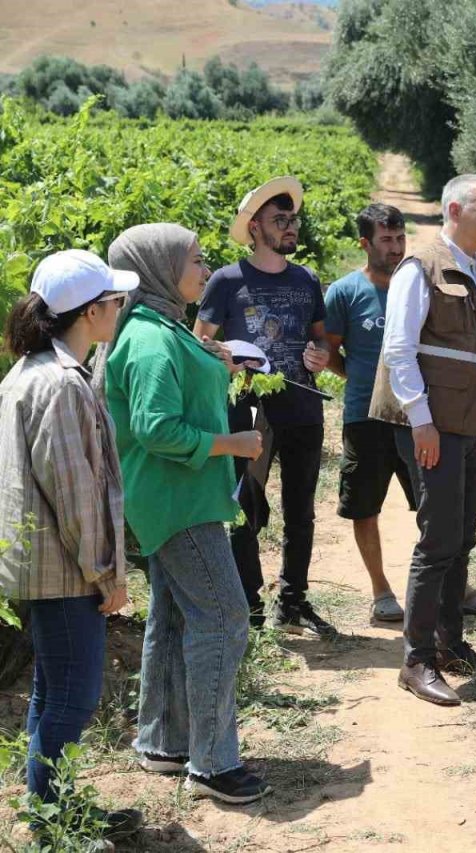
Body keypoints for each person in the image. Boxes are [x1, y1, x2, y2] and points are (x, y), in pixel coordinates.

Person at [103, 224, 272, 805]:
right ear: (158, 268)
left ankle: (163, 742)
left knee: (175, 618)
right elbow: (155, 428)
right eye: (195, 261)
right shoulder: (151, 340)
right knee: (225, 615)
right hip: (178, 502)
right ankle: (213, 763)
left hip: (176, 498)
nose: (205, 270)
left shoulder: (159, 327)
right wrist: (233, 445)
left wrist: (216, 365)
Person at [0, 250, 143, 841]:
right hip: (62, 572)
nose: (120, 308)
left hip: (39, 566)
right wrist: (105, 573)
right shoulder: (60, 384)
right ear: (91, 312)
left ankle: (53, 812)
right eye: (115, 301)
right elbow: (75, 492)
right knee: (73, 699)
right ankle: (54, 826)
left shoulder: (31, 371)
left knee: (52, 692)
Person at [370, 173, 476, 706]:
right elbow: (399, 349)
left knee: (460, 539)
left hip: (471, 425)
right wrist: (422, 421)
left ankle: (450, 644)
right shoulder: (421, 267)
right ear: (455, 210)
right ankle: (416, 660)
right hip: (437, 428)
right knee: (436, 542)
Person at [194, 176, 335, 637]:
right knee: (245, 506)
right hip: (245, 413)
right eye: (280, 220)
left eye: (293, 219)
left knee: (302, 510)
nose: (291, 227)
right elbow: (199, 345)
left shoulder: (307, 279)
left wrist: (320, 356)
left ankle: (293, 601)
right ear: (255, 227)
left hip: (302, 408)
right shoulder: (226, 281)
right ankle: (248, 605)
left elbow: (319, 342)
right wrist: (229, 361)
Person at [323, 203, 415, 622]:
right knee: (365, 506)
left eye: (400, 239)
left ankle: (451, 584)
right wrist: (363, 380)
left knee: (437, 504)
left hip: (418, 415)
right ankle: (381, 591)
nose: (395, 248)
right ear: (364, 243)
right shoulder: (344, 293)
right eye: (386, 240)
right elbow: (329, 351)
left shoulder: (419, 284)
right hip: (365, 415)